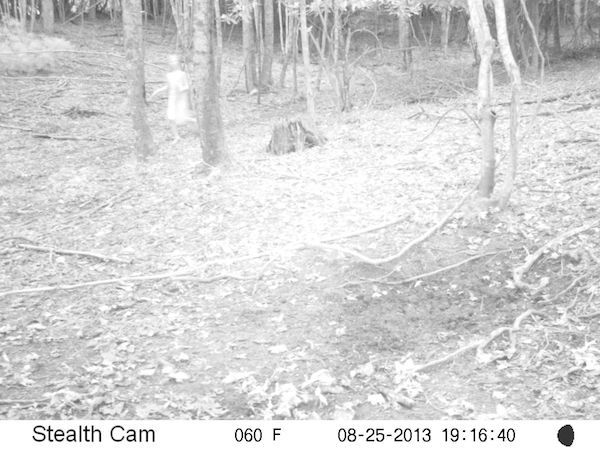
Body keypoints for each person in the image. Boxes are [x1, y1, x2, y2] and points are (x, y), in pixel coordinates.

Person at [149, 54, 196, 143]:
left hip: (181, 99)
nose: (173, 62)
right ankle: (176, 137)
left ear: (178, 62)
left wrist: (181, 88)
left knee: (182, 118)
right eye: (171, 61)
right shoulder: (169, 75)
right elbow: (168, 87)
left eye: (174, 60)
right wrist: (157, 92)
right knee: (171, 118)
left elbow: (187, 87)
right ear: (169, 63)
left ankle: (197, 122)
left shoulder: (182, 74)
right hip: (172, 98)